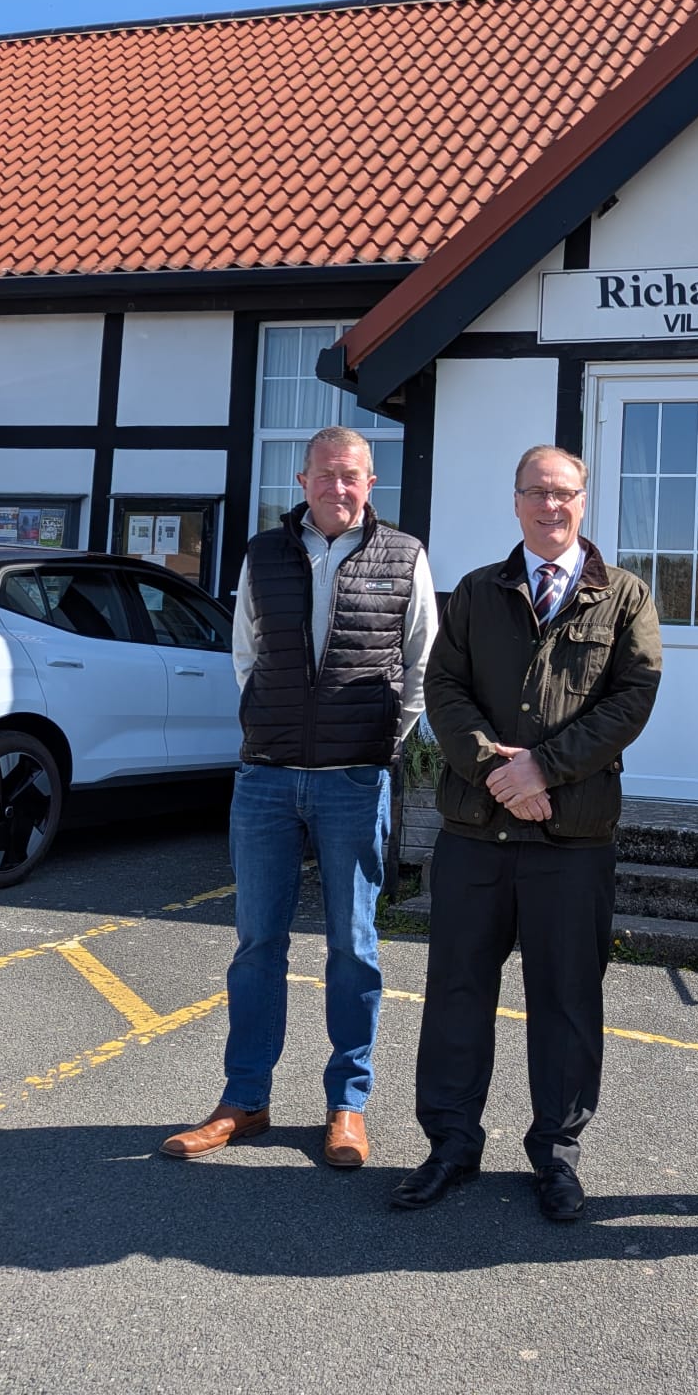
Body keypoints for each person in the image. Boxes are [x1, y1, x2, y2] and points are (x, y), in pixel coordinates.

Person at [393, 444, 661, 1222]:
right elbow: (441, 688)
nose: (551, 506)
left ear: (585, 501)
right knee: (455, 995)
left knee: (568, 1000)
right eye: (536, 493)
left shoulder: (626, 598)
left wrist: (543, 770)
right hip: (476, 834)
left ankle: (558, 1156)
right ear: (515, 503)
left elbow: (631, 700)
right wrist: (494, 771)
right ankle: (449, 1146)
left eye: (564, 493)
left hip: (572, 841)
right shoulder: (478, 592)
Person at [161, 425, 436, 1169]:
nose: (338, 488)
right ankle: (244, 1099)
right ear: (302, 479)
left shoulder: (404, 556)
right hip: (268, 779)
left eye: (352, 477)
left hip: (354, 778)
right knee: (257, 946)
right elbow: (245, 656)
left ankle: (347, 1105)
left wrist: (382, 742)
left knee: (354, 948)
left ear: (371, 483)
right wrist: (270, 734)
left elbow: (419, 664)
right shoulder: (263, 554)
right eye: (325, 475)